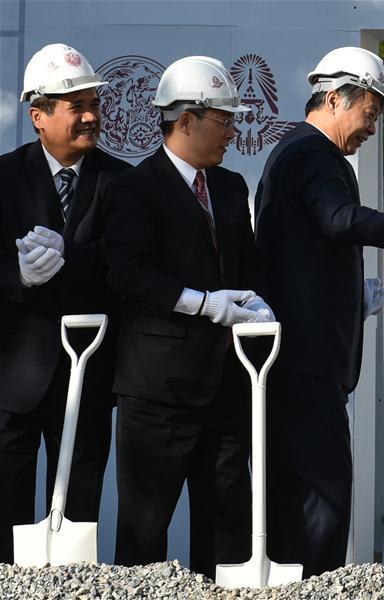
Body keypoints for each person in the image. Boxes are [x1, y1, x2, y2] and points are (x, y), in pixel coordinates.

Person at [254, 46, 384, 576]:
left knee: (305, 497)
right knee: (322, 499)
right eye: (369, 113)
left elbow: (315, 247)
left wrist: (352, 297)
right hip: (306, 361)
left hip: (302, 357)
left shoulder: (301, 153)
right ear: (333, 98)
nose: (371, 129)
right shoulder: (312, 155)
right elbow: (337, 218)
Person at [103, 56, 274, 578]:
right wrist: (202, 302)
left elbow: (247, 262)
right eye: (223, 119)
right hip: (159, 390)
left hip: (224, 385)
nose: (232, 130)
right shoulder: (135, 188)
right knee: (145, 527)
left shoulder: (227, 187)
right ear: (186, 121)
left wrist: (257, 302)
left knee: (227, 523)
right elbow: (127, 272)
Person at [0, 43, 129, 564]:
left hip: (90, 373)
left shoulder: (121, 182)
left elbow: (124, 263)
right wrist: (18, 276)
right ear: (38, 115)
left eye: (94, 102)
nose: (91, 116)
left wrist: (69, 256)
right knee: (6, 509)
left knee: (80, 510)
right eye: (76, 106)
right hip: (13, 378)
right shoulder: (3, 179)